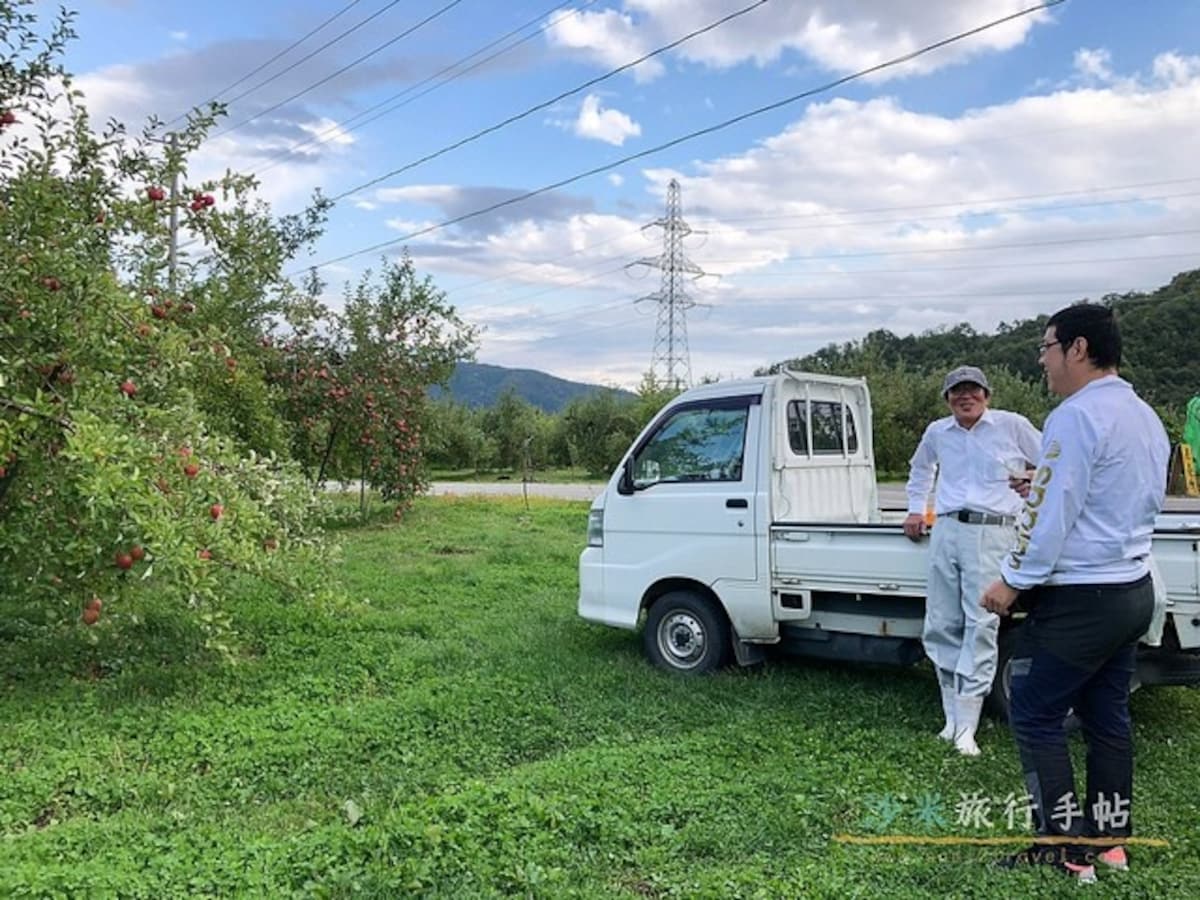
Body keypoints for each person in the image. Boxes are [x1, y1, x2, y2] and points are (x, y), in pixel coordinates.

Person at [981, 303, 1169, 883]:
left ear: (1078, 349)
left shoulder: (1075, 416)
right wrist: (1043, 481)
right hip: (1130, 587)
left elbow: (1049, 516)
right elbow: (1112, 494)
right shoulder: (1143, 416)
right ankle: (1109, 843)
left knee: (1035, 710)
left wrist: (1011, 581)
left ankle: (1062, 849)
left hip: (1082, 598)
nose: (1043, 360)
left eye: (1046, 347)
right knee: (1106, 716)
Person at [904, 365, 1041, 756]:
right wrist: (917, 509)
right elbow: (920, 469)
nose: (966, 397)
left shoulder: (1011, 425)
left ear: (987, 394)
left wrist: (1031, 478)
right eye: (957, 392)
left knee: (980, 624)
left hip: (994, 530)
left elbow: (1052, 461)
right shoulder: (937, 432)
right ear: (947, 398)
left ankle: (969, 726)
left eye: (973, 390)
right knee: (942, 621)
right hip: (947, 528)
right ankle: (951, 720)